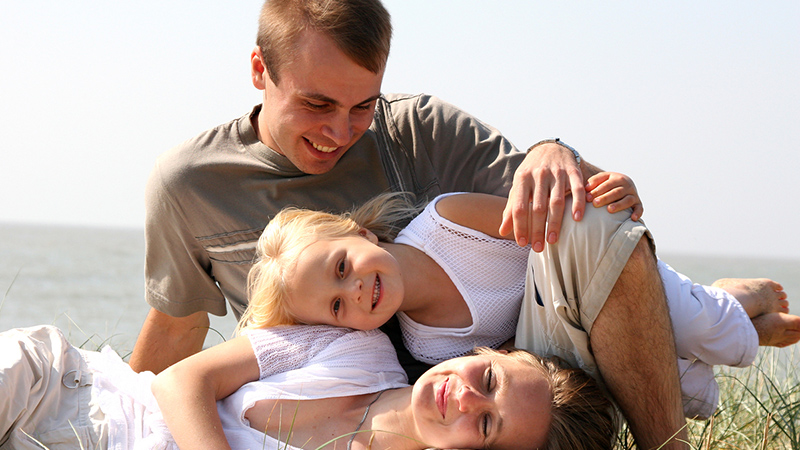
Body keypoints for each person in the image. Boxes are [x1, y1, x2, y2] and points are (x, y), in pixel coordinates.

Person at [129, 0, 685, 447]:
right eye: (318, 104)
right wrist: (120, 410)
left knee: (591, 228)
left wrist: (552, 149)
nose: (341, 132)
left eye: (362, 106)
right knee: (699, 342)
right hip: (370, 410)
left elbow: (549, 200)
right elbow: (177, 329)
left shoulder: (416, 129)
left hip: (497, 380)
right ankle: (732, 313)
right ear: (260, 70)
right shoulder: (191, 186)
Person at [234, 186, 798, 418]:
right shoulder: (423, 345)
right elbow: (513, 352)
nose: (353, 291)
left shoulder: (447, 221)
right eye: (336, 306)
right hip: (577, 329)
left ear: (361, 232)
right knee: (693, 394)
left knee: (705, 329)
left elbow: (556, 223)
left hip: (592, 277)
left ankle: (734, 303)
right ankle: (727, 308)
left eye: (341, 267)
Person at [0, 324, 617, 450]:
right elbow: (184, 380)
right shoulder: (357, 345)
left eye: (486, 423)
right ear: (488, 350)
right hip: (58, 385)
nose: (466, 397)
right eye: (487, 378)